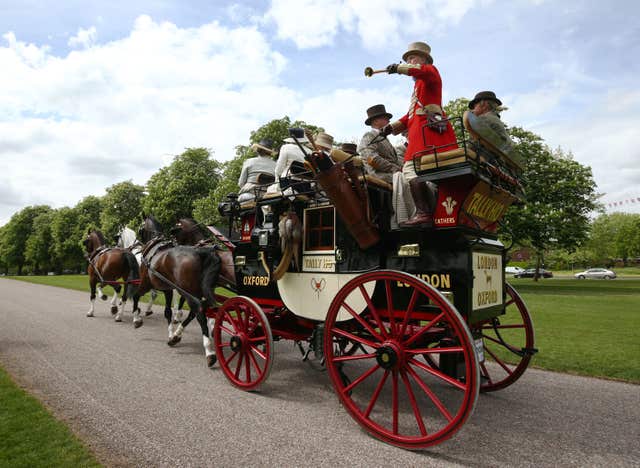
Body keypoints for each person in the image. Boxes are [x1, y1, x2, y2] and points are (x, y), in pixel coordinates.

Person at [383, 41, 459, 227]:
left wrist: (400, 68)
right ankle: (428, 212)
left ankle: (424, 214)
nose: (409, 60)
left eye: (412, 57)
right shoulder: (418, 86)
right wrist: (391, 128)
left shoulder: (430, 72)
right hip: (420, 135)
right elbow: (410, 116)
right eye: (407, 58)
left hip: (427, 137)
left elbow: (422, 71)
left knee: (409, 169)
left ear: (424, 59)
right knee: (413, 171)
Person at [358, 104, 402, 184]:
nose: (389, 121)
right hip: (381, 175)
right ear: (375, 121)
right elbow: (372, 159)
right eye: (385, 118)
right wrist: (396, 169)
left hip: (392, 174)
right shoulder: (369, 135)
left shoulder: (384, 138)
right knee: (409, 180)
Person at [467, 90, 515, 158]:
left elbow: (471, 147)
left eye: (475, 106)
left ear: (484, 104)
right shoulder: (494, 119)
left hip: (487, 161)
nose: (472, 110)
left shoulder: (483, 119)